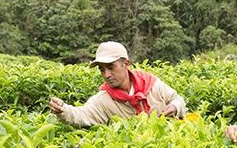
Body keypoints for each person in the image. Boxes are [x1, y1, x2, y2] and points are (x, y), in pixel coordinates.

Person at [49, 41, 187, 126]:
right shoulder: (103, 100)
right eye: (102, 69)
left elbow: (177, 99)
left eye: (110, 67)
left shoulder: (152, 84)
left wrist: (174, 107)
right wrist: (64, 110)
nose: (106, 74)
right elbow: (82, 114)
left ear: (125, 64)